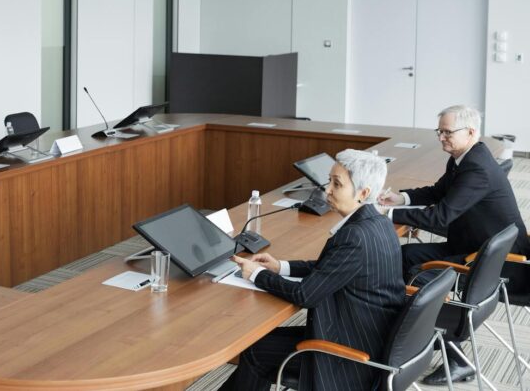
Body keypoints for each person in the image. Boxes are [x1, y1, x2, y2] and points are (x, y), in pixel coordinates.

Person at [219, 149, 405, 391]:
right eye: (329, 180)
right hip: (367, 331)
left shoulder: (355, 236)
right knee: (259, 344)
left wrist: (256, 274)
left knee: (256, 353)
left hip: (350, 353)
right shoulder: (378, 222)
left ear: (363, 192)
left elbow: (305, 295)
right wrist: (280, 266)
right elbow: (329, 268)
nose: (327, 189)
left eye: (336, 184)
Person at [378, 104, 530, 384]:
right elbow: (438, 192)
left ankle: (450, 356)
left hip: (500, 264)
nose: (441, 138)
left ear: (471, 132)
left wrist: (386, 215)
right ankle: (405, 334)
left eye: (447, 132)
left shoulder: (477, 168)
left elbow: (440, 217)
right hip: (476, 246)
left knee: (420, 276)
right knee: (404, 256)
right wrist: (401, 199)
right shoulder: (466, 157)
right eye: (439, 131)